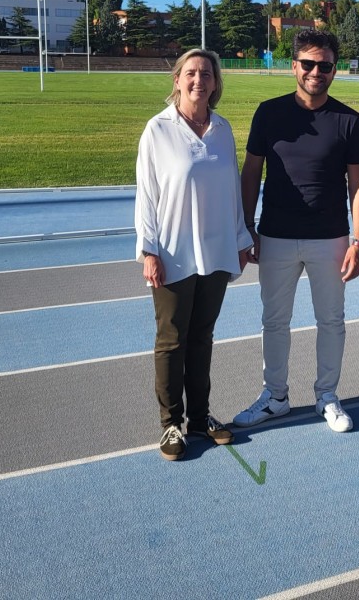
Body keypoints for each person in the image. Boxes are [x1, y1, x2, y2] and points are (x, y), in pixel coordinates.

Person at [233, 31, 359, 433]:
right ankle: (274, 396)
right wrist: (247, 227)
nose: (315, 72)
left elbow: (358, 185)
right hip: (275, 235)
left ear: (334, 70)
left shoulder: (348, 120)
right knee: (274, 320)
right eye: (307, 64)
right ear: (293, 65)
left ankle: (327, 395)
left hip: (330, 238)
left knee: (331, 320)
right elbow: (251, 172)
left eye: (324, 65)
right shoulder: (269, 112)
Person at [135, 49, 253, 461]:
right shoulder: (158, 130)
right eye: (190, 73)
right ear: (177, 80)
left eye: (206, 73)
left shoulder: (222, 129)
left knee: (202, 338)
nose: (198, 80)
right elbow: (146, 195)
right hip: (172, 251)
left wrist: (241, 238)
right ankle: (171, 424)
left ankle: (200, 419)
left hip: (216, 250)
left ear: (216, 83)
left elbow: (232, 189)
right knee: (172, 339)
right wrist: (148, 249)